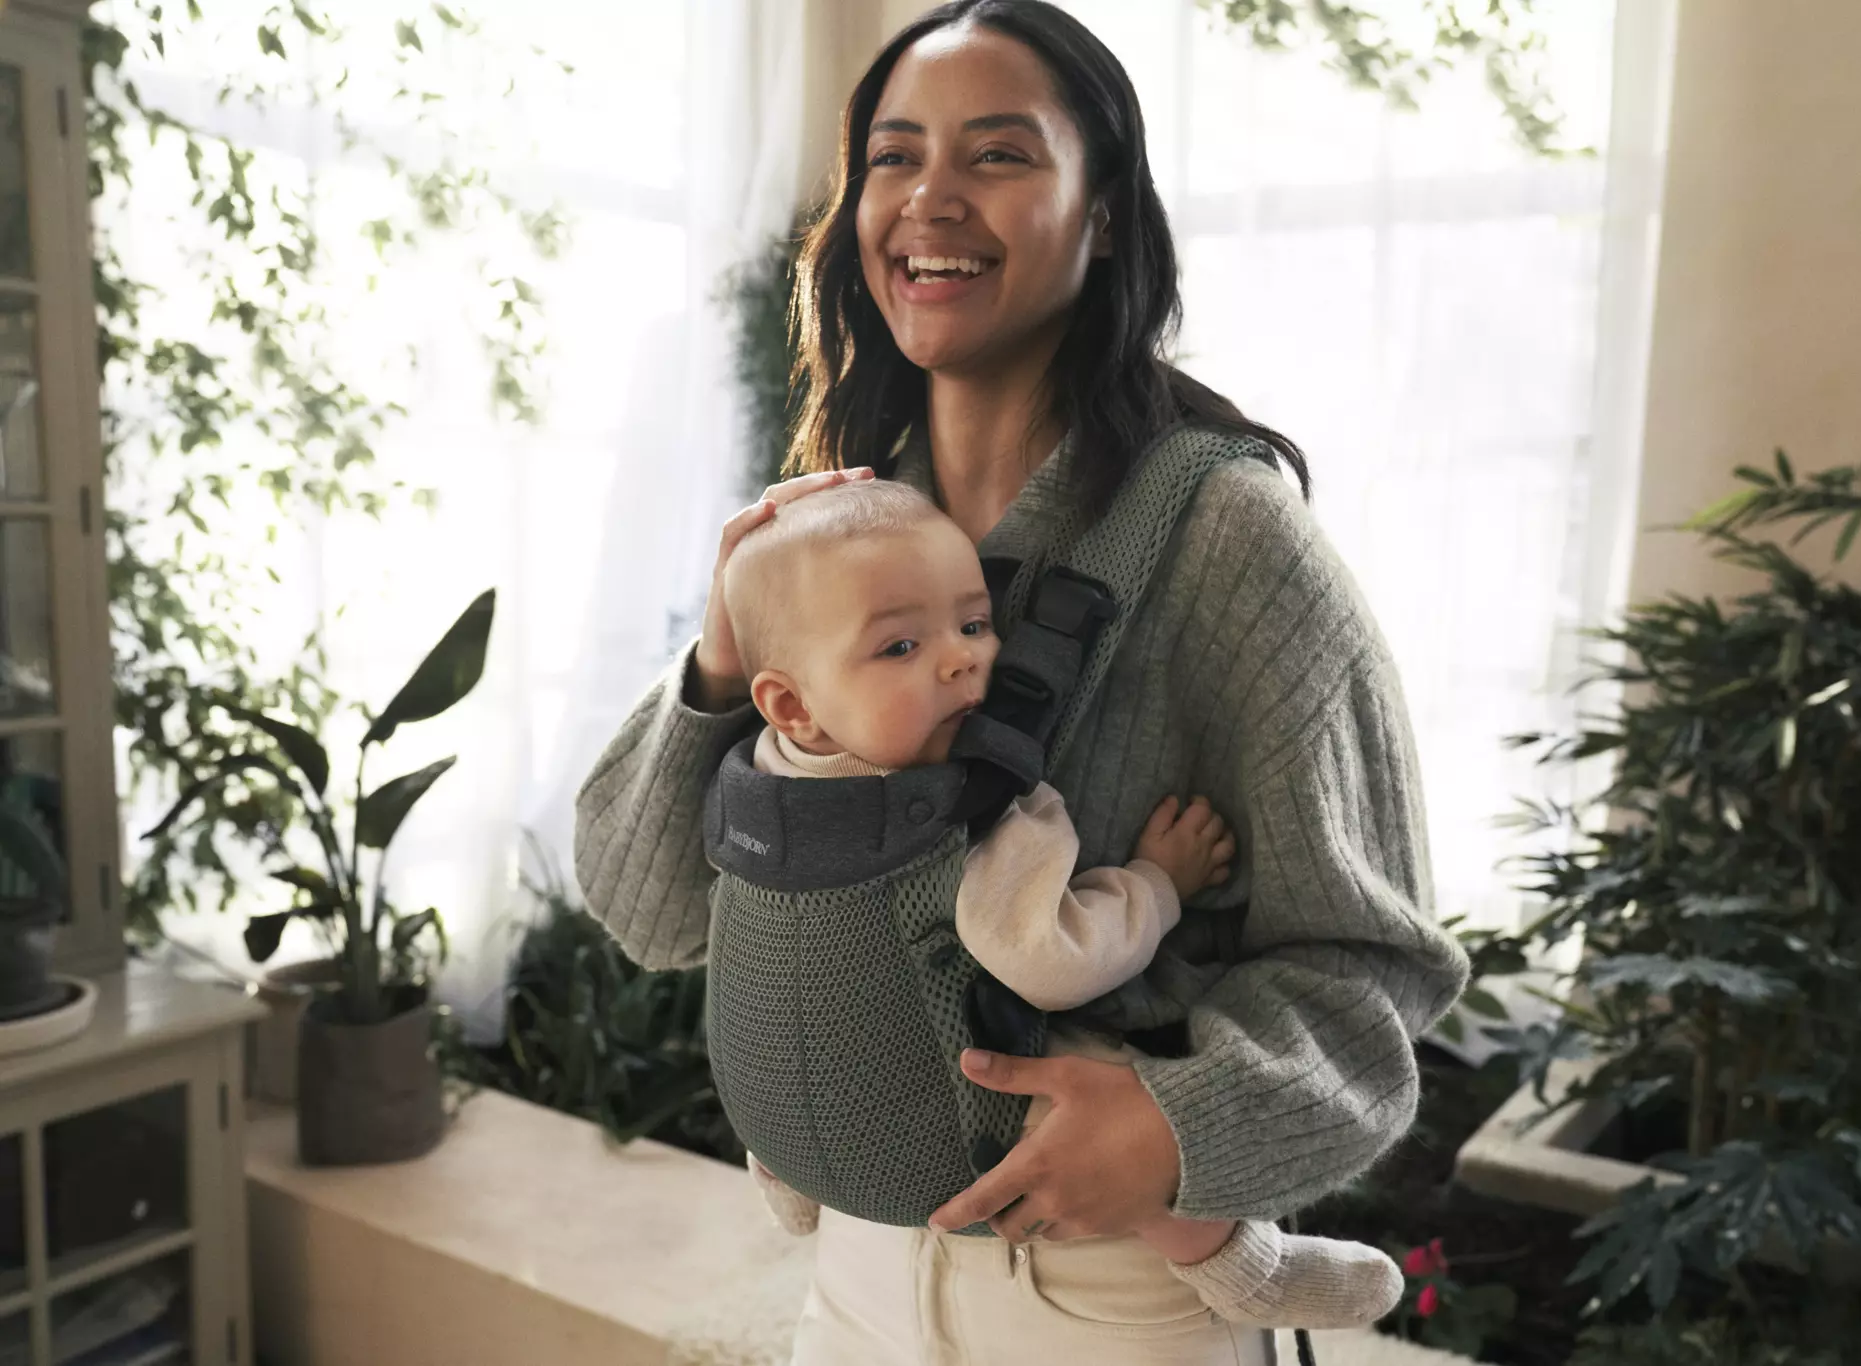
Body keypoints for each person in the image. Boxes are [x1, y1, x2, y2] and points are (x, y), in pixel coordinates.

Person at [573, 2, 1468, 1361]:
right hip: (855, 1284)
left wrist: (1174, 1124)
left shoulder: (1229, 539)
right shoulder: (832, 536)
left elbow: (1369, 972)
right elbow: (651, 912)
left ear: (1102, 216)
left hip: (1113, 1296)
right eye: (894, 155)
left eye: (997, 154)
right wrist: (722, 659)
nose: (929, 196)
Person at [718, 477, 1406, 1333]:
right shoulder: (972, 810)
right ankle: (1241, 1267)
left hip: (801, 1106)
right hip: (936, 1154)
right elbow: (1054, 962)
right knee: (1074, 1084)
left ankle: (789, 1171)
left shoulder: (758, 782)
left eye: (975, 624)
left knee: (785, 1025)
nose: (961, 659)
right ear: (790, 702)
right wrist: (1158, 883)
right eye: (900, 647)